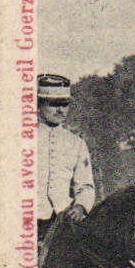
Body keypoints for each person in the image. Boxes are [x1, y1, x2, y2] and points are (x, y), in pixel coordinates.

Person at [34, 74, 95, 251]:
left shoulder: (76, 143)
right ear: (39, 105)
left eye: (65, 104)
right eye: (54, 104)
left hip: (62, 222)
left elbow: (85, 185)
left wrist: (81, 206)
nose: (61, 110)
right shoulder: (21, 137)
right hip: (26, 219)